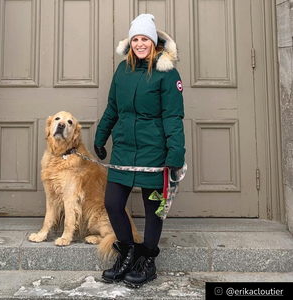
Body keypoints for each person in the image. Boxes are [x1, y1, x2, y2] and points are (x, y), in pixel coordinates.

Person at [94, 13, 185, 287]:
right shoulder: (122, 70)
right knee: (112, 203)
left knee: (153, 208)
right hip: (124, 148)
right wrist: (101, 137)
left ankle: (147, 260)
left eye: (145, 38)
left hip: (154, 151)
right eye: (136, 39)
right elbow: (113, 107)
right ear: (130, 41)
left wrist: (175, 153)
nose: (140, 44)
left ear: (154, 41)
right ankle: (128, 252)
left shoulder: (167, 73)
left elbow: (173, 117)